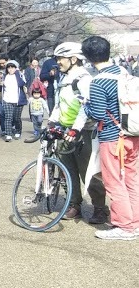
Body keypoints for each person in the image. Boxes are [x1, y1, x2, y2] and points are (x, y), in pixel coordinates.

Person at [82, 36, 139, 240]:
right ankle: (135, 222)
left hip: (112, 137)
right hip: (132, 134)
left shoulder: (98, 81)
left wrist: (84, 104)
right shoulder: (126, 74)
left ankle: (124, 226)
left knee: (114, 181)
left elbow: (97, 114)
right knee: (131, 180)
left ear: (88, 57)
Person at [48, 42, 107, 223]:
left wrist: (75, 129)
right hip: (65, 131)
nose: (58, 62)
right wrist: (51, 122)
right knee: (67, 170)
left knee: (88, 172)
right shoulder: (63, 79)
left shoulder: (84, 79)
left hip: (84, 132)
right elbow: (59, 104)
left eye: (61, 58)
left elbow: (86, 107)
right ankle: (74, 204)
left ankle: (100, 208)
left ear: (73, 59)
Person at [0, 61, 27, 142]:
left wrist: (17, 73)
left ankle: (18, 131)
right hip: (7, 100)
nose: (10, 69)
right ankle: (8, 134)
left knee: (17, 118)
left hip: (18, 100)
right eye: (9, 67)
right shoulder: (4, 76)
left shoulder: (19, 75)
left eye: (12, 67)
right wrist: (1, 84)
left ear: (16, 68)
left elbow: (22, 83)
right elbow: (0, 88)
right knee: (8, 117)